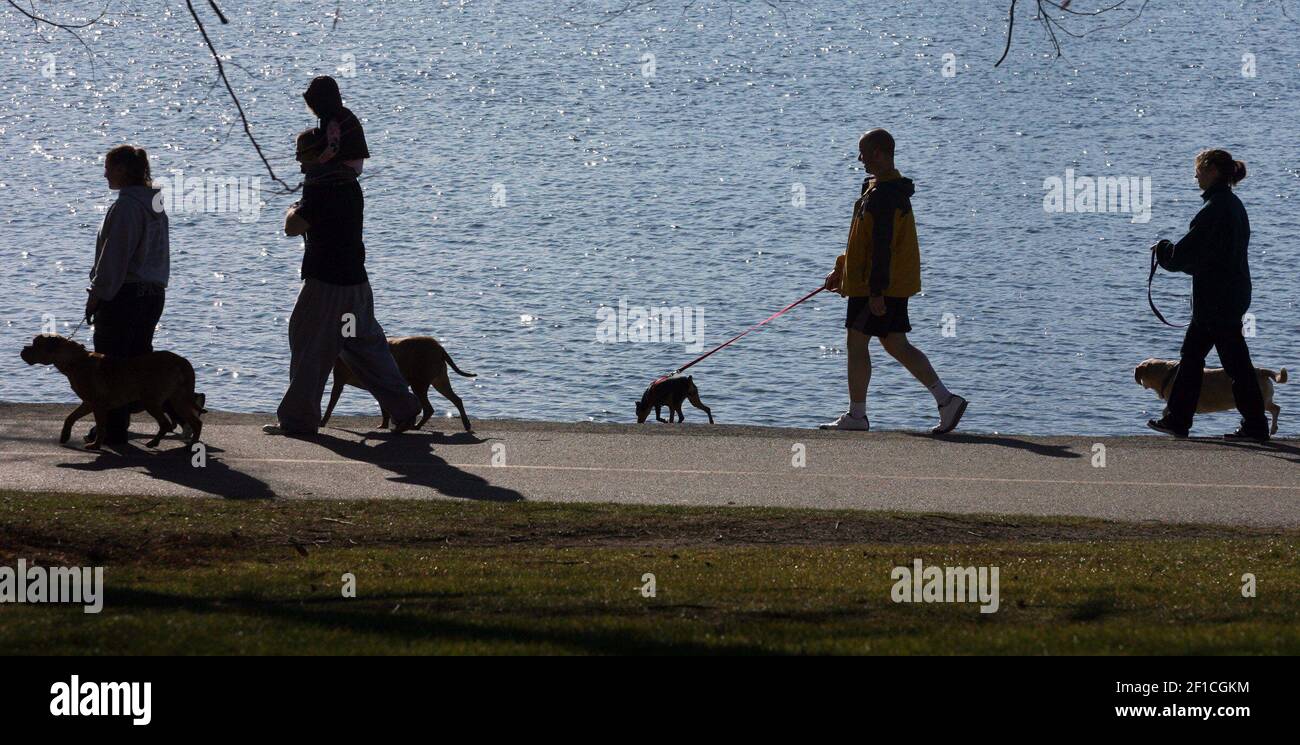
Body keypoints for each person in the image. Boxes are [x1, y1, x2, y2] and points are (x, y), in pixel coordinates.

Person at [263, 128, 420, 436]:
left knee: (308, 345)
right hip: (356, 283)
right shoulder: (348, 183)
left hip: (326, 284)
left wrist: (292, 208)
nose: (300, 166)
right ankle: (405, 407)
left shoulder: (321, 187)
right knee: (367, 348)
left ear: (319, 155)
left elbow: (293, 228)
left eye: (303, 157)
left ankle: (298, 420)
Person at [820, 129, 967, 434]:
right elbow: (862, 241)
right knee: (895, 343)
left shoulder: (886, 196)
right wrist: (841, 269)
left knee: (857, 343)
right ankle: (946, 401)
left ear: (879, 153)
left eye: (864, 152)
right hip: (882, 284)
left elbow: (883, 248)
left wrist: (875, 292)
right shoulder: (875, 189)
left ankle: (857, 416)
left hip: (877, 286)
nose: (859, 159)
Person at [1147, 149, 1269, 441]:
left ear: (1213, 170)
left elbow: (1183, 256)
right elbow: (1211, 257)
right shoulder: (1233, 205)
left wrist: (1164, 250)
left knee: (1228, 363)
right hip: (1231, 294)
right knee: (1196, 357)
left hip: (1216, 301)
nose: (1195, 175)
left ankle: (1251, 425)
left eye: (1199, 169)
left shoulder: (1214, 210)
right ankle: (1180, 420)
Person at [85, 144, 170, 446]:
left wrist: (97, 294)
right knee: (139, 362)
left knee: (111, 365)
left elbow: (114, 258)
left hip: (125, 294)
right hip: (152, 292)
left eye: (108, 167)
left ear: (121, 169)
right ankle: (177, 407)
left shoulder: (126, 208)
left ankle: (112, 428)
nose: (104, 173)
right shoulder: (154, 204)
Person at [302, 75, 368, 178]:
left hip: (347, 166)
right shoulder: (343, 113)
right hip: (353, 164)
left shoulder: (333, 120)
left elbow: (333, 147)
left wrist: (316, 163)